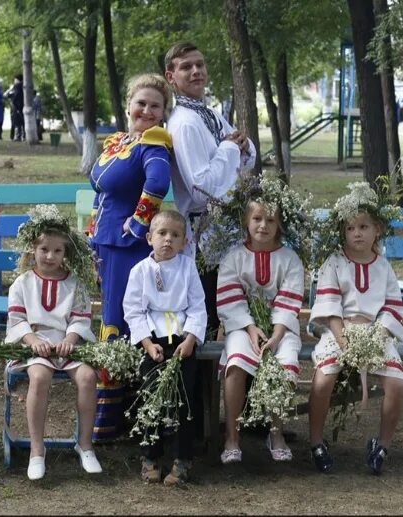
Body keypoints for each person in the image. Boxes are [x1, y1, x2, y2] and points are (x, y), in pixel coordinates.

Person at [164, 41, 256, 439]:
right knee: (206, 326)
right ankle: (200, 425)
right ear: (172, 76)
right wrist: (229, 149)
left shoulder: (210, 111)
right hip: (206, 242)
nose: (196, 72)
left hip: (232, 235)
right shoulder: (184, 122)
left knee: (245, 322)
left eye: (200, 64)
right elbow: (202, 188)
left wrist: (242, 146)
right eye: (187, 67)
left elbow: (246, 156)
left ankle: (248, 416)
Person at [308, 182, 403, 476]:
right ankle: (315, 441)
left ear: (377, 230)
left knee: (397, 384)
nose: (357, 233)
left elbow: (392, 307)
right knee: (324, 380)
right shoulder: (335, 262)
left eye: (364, 226)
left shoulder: (384, 266)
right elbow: (329, 307)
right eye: (350, 228)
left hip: (376, 333)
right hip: (338, 331)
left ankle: (382, 445)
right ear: (343, 233)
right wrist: (344, 341)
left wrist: (378, 336)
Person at [5, 205, 102, 480]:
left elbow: (81, 319)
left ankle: (85, 444)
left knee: (87, 377)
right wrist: (33, 339)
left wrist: (71, 339)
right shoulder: (22, 283)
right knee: (39, 376)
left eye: (57, 251)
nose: (50, 256)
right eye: (44, 249)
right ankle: (38, 450)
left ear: (66, 253)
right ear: (32, 250)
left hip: (67, 345)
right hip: (34, 344)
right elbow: (17, 318)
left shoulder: (75, 284)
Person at [216, 199, 305, 465]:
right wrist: (251, 327)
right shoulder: (234, 258)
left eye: (270, 220)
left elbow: (289, 301)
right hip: (243, 325)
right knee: (236, 364)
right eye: (257, 219)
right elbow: (230, 300)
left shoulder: (290, 259)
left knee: (283, 364)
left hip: (281, 327)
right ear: (246, 221)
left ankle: (276, 433)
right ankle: (232, 437)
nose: (263, 225)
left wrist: (276, 335)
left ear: (279, 225)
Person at [122, 210, 206, 486]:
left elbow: (196, 306)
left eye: (175, 235)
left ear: (184, 242)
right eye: (162, 233)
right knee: (151, 398)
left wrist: (191, 339)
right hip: (153, 341)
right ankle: (150, 457)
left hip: (183, 341)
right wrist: (147, 343)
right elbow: (133, 312)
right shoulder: (140, 272)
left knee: (184, 400)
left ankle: (182, 460)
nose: (168, 240)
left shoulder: (188, 268)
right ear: (149, 238)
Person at [89, 73, 172, 342]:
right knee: (111, 304)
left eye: (155, 106)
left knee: (122, 310)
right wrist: (92, 234)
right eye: (141, 103)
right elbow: (101, 191)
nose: (147, 111)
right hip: (106, 241)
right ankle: (116, 373)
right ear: (128, 105)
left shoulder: (153, 144)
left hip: (127, 245)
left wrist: (138, 224)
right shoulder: (119, 142)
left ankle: (118, 380)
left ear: (162, 113)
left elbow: (158, 183)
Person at [5, 74, 25, 141]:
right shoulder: (23, 86)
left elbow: (13, 96)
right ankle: (22, 136)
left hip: (17, 106)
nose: (14, 81)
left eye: (15, 79)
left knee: (17, 122)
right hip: (20, 106)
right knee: (21, 122)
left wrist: (13, 102)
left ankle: (18, 136)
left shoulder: (17, 86)